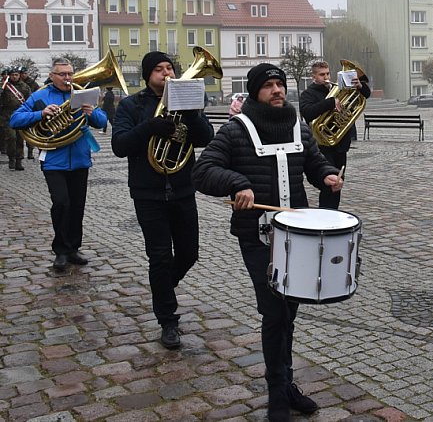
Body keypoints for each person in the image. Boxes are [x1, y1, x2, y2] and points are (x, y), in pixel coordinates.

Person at [192, 63, 340, 422]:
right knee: (275, 311)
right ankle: (278, 391)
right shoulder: (236, 130)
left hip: (298, 234)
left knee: (289, 311)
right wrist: (235, 182)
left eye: (280, 84)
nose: (277, 91)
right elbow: (202, 170)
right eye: (269, 86)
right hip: (257, 236)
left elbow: (314, 163)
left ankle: (285, 382)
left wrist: (328, 177)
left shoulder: (297, 125)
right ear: (256, 92)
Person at [111, 51, 213, 350]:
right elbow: (119, 146)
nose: (166, 73)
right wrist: (150, 128)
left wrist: (192, 114)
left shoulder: (186, 102)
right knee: (159, 257)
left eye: (170, 68)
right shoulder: (131, 105)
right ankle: (168, 319)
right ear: (148, 75)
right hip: (147, 192)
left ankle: (162, 289)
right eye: (159, 69)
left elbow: (206, 138)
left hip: (182, 188)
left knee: (189, 253)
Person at [10, 57, 107, 270]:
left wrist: (93, 112)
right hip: (54, 160)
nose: (67, 78)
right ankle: (61, 250)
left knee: (77, 206)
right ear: (52, 75)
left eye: (70, 73)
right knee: (61, 203)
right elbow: (15, 119)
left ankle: (73, 248)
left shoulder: (81, 94)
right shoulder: (40, 95)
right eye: (62, 74)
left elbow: (102, 122)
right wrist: (40, 113)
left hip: (80, 159)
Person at [299, 60, 370, 210]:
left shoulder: (339, 88)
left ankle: (333, 212)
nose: (326, 77)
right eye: (321, 75)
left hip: (340, 143)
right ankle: (326, 213)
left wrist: (360, 86)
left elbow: (366, 95)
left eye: (327, 73)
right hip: (322, 145)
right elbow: (307, 112)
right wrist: (330, 103)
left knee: (338, 182)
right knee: (329, 183)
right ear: (314, 77)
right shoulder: (308, 94)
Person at [1, 66, 32, 170]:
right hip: (7, 115)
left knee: (20, 139)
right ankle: (11, 158)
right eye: (13, 75)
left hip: (20, 115)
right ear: (9, 76)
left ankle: (19, 160)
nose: (14, 77)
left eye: (16, 75)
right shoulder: (5, 86)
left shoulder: (25, 87)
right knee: (11, 138)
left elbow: (29, 101)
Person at [19, 66, 39, 160]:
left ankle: (30, 152)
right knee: (19, 135)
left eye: (25, 73)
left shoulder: (32, 83)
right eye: (22, 73)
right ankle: (20, 155)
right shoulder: (16, 84)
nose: (23, 75)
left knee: (30, 131)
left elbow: (38, 94)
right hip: (20, 109)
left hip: (30, 109)